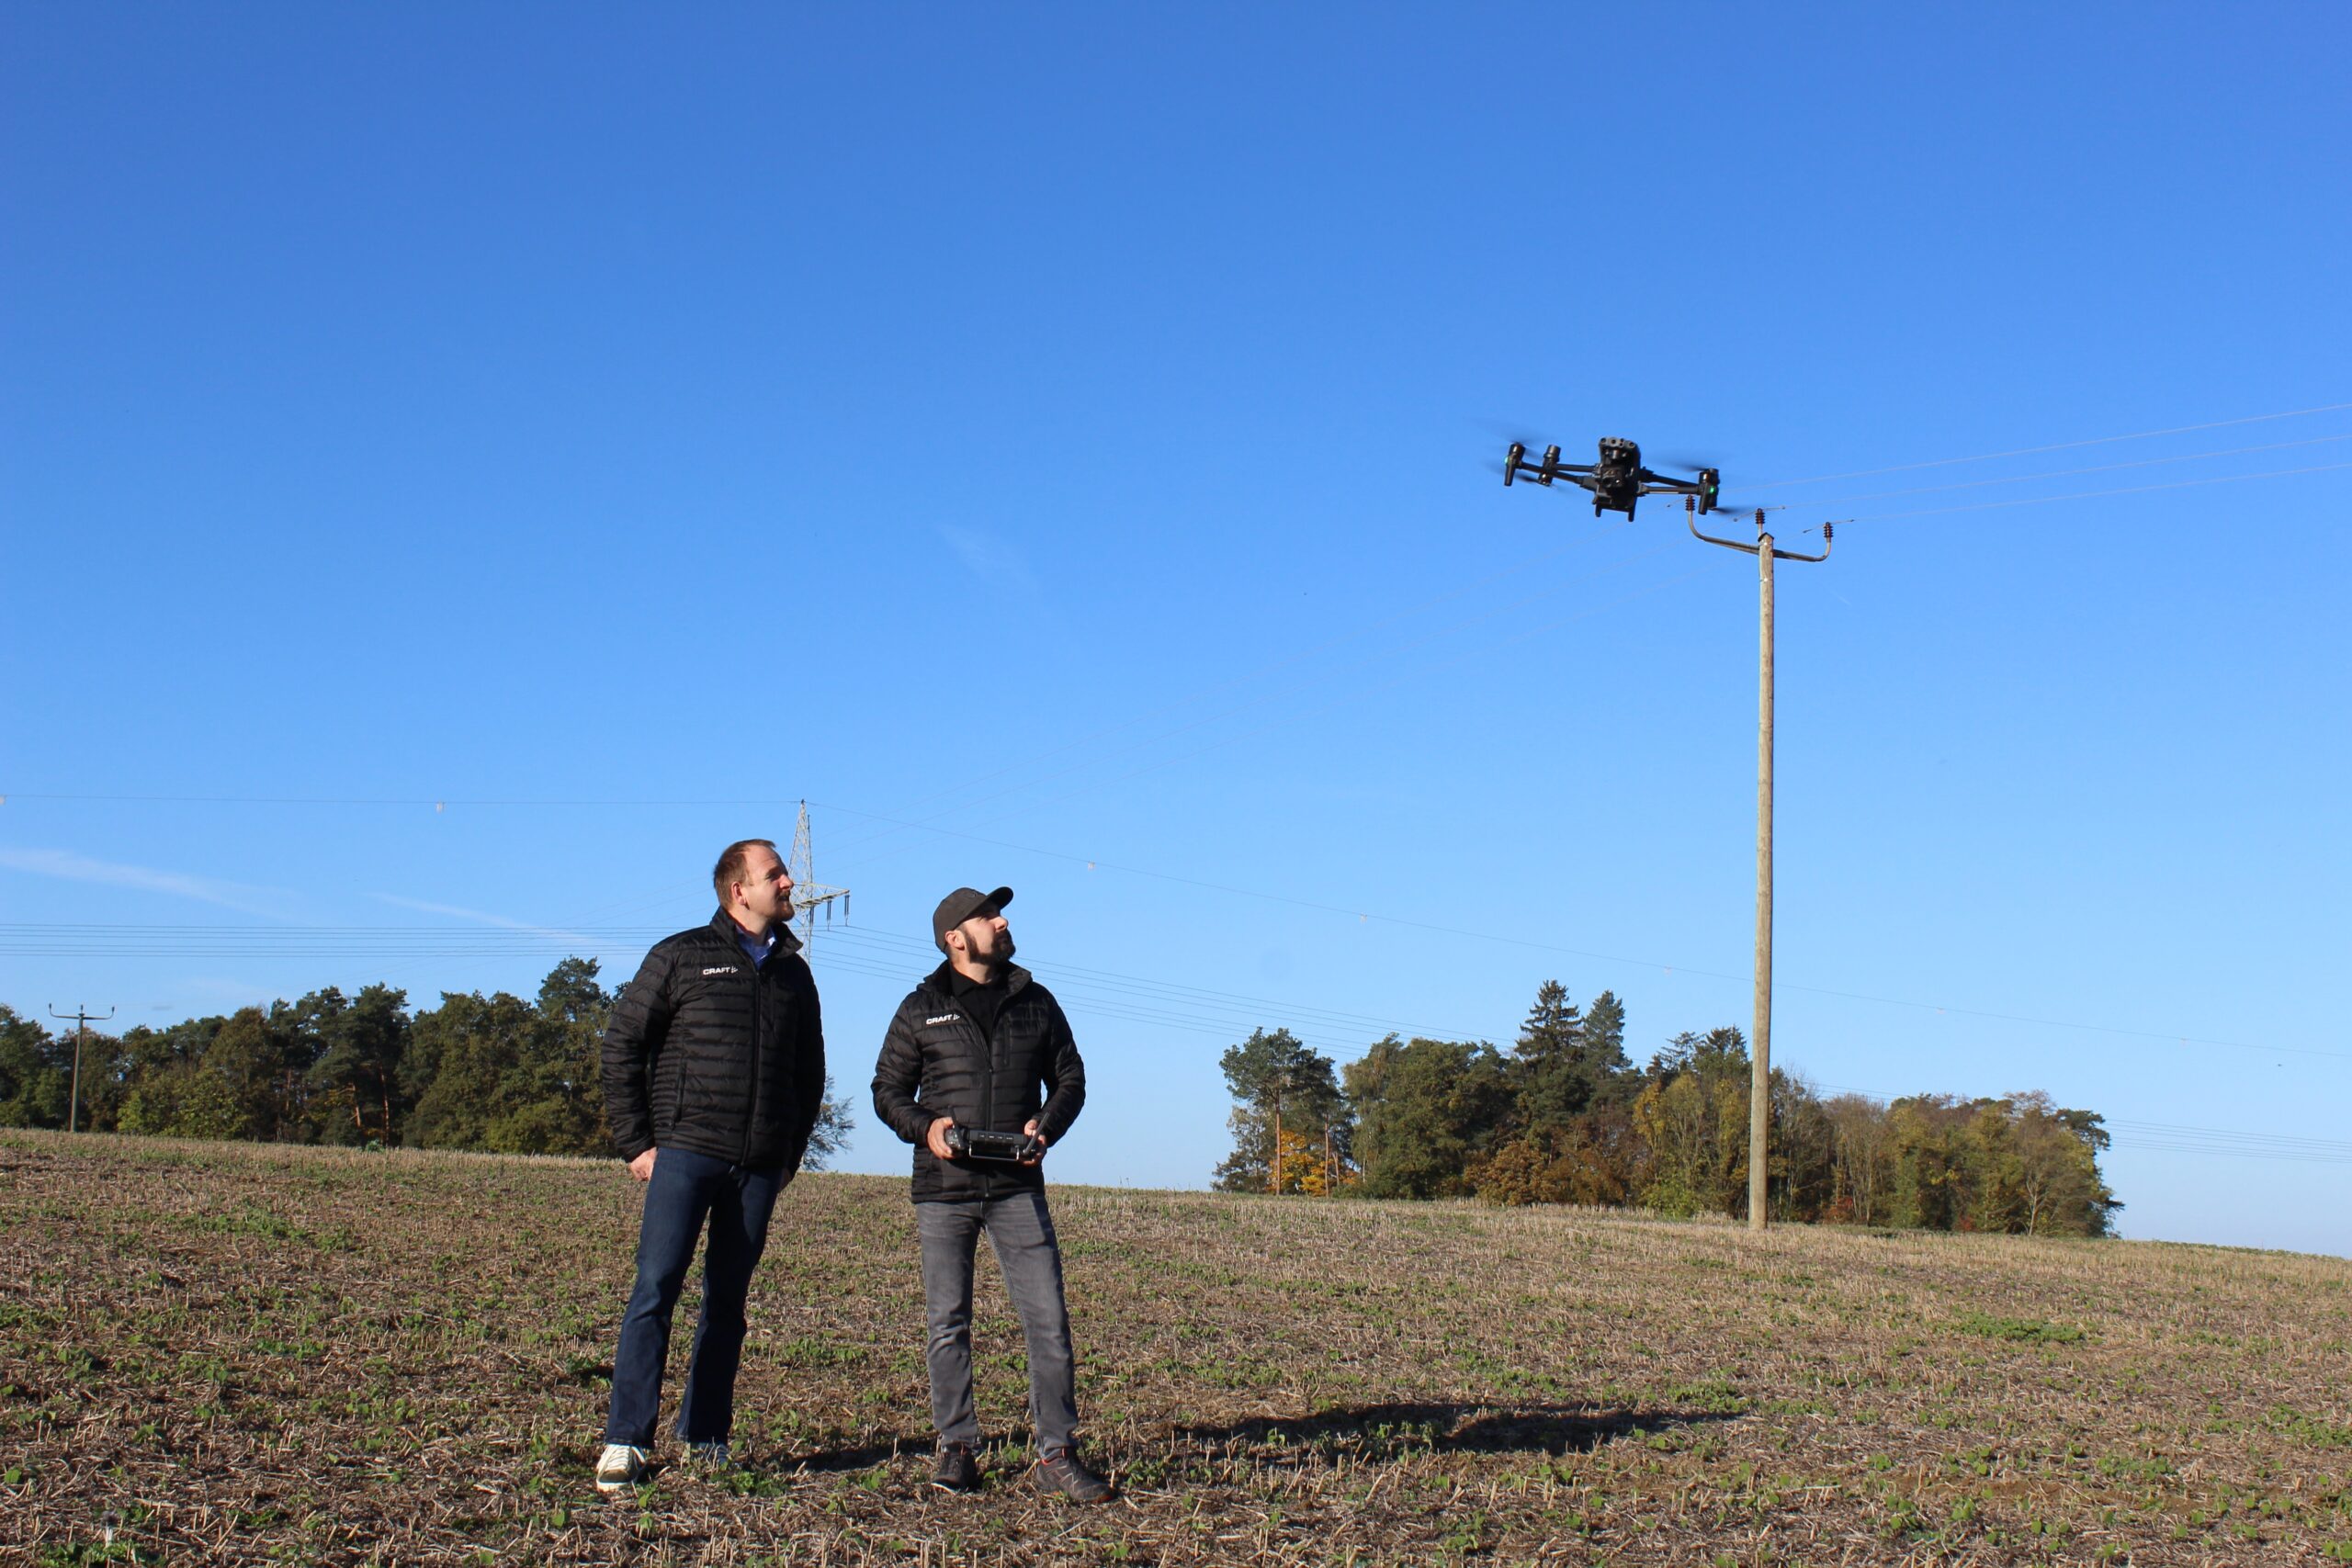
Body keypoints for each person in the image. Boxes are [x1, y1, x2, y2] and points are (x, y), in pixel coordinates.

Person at [593, 839, 826, 1492]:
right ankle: (625, 1439)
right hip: (686, 1151)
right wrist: (637, 1143)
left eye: (785, 871)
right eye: (775, 873)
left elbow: (809, 1073)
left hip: (757, 1166)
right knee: (655, 1290)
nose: (789, 881)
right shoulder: (680, 955)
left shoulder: (793, 973)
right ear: (738, 891)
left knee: (727, 1301)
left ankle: (705, 1436)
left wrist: (789, 1154)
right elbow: (622, 1048)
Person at [871, 886, 1110, 1502]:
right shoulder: (919, 1007)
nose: (1002, 922)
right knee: (947, 1323)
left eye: (1000, 914)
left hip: (1016, 1187)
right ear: (955, 936)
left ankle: (1057, 1450)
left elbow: (1071, 1077)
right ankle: (958, 1447)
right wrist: (927, 1128)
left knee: (1049, 1322)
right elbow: (886, 1090)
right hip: (943, 1191)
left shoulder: (1035, 1000)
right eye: (988, 916)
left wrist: (1046, 1124)